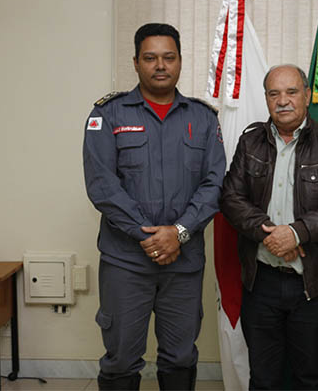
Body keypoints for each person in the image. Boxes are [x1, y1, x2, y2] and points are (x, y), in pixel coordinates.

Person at [83, 23, 226, 390]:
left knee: (180, 357)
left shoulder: (203, 118)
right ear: (135, 62)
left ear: (180, 62)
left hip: (184, 260)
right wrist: (149, 236)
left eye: (168, 57)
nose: (160, 65)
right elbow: (102, 186)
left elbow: (214, 184)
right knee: (120, 360)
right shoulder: (108, 115)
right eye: (150, 58)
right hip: (125, 261)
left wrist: (178, 233)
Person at [220, 64, 318, 390]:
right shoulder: (250, 142)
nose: (283, 100)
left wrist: (296, 233)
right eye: (274, 93)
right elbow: (230, 197)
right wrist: (270, 234)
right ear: (266, 99)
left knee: (308, 378)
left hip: (312, 283)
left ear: (307, 96)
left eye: (292, 92)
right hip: (261, 282)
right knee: (264, 379)